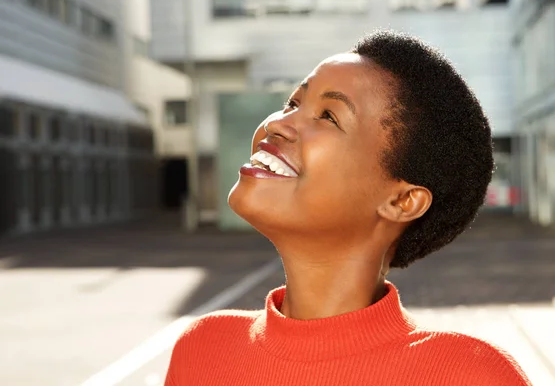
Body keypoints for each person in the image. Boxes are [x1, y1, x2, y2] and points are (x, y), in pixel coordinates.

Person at [164, 29, 531, 385]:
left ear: (402, 201)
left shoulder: (473, 376)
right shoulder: (202, 349)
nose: (276, 124)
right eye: (293, 103)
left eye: (328, 116)